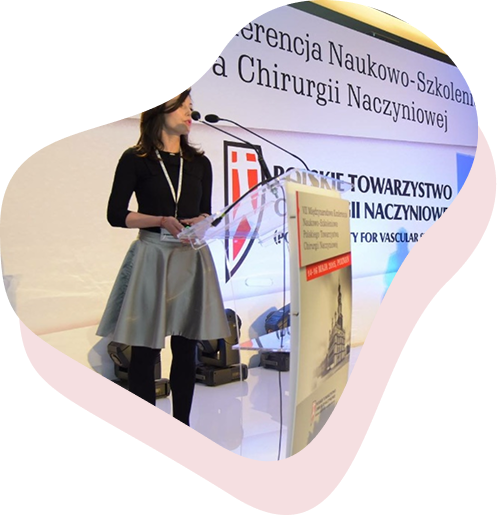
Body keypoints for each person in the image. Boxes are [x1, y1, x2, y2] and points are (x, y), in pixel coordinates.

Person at [97, 88, 230, 426]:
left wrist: (204, 221)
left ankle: (181, 425)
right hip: (154, 255)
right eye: (182, 107)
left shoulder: (200, 163)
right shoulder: (136, 159)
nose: (190, 114)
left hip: (191, 257)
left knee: (187, 347)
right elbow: (116, 214)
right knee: (145, 348)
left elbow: (204, 211)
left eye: (191, 107)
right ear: (160, 111)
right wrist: (159, 220)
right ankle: (148, 429)